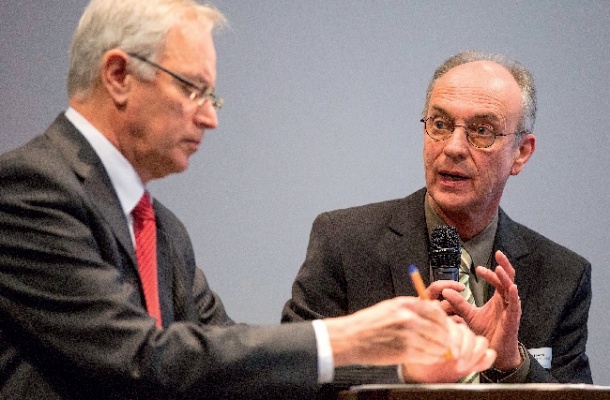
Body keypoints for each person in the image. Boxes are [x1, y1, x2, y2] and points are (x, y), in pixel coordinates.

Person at [0, 2, 497, 399]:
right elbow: (140, 358)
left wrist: (402, 370)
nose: (210, 118)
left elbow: (227, 362)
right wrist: (351, 335)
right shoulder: (29, 190)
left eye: (211, 97)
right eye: (194, 89)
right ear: (118, 75)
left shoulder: (162, 228)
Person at [283, 51, 592, 388]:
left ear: (521, 153)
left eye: (482, 131)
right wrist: (404, 369)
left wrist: (512, 364)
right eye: (441, 125)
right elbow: (289, 374)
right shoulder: (345, 244)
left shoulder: (562, 276)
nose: (454, 147)